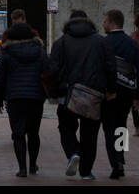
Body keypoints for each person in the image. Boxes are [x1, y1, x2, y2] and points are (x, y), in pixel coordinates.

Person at [48, 9, 116, 181]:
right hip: (93, 94)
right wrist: (111, 89)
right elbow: (110, 67)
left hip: (67, 94)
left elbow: (53, 70)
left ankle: (73, 152)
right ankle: (86, 171)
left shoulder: (61, 43)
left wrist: (53, 93)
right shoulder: (101, 42)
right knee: (90, 134)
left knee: (66, 127)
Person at [0, 15, 47, 177]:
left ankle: (22, 168)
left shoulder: (7, 54)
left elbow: (0, 78)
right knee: (33, 133)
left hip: (15, 97)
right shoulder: (39, 52)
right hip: (35, 97)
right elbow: (48, 71)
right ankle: (33, 165)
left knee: (18, 134)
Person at [101, 9, 139, 179]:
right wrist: (138, 96)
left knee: (108, 128)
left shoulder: (104, 42)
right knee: (121, 126)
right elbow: (138, 71)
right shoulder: (131, 43)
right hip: (127, 91)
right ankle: (121, 159)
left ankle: (115, 162)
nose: (103, 24)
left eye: (105, 21)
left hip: (108, 92)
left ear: (112, 22)